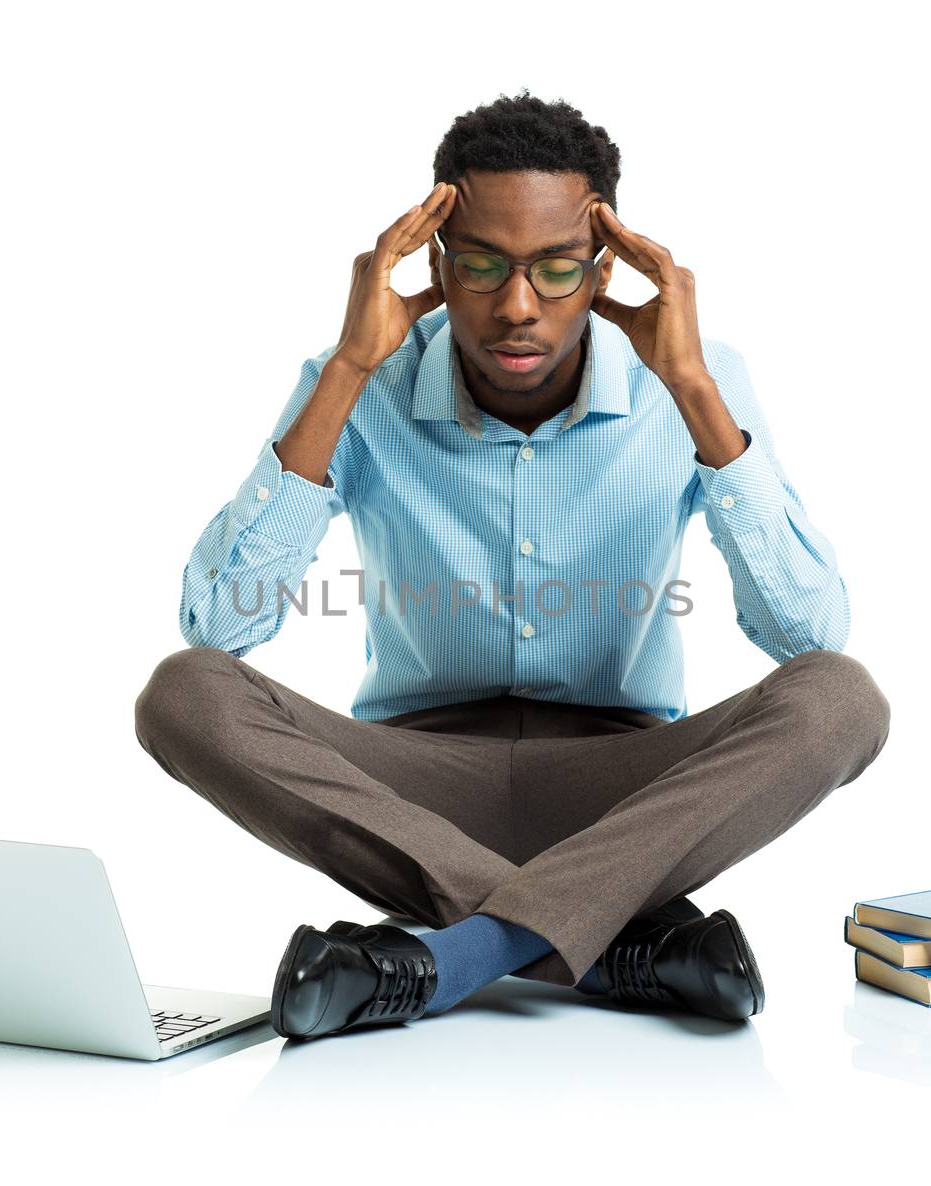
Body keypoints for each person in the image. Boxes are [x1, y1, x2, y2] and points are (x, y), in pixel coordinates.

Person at [133, 90, 890, 1041]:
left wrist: (694, 392)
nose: (517, 307)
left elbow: (809, 636)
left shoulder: (693, 377)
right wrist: (346, 375)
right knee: (184, 695)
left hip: (623, 788)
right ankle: (614, 939)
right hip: (411, 792)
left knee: (842, 699)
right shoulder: (364, 375)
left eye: (557, 269)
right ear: (436, 263)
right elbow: (219, 627)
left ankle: (454, 957)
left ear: (603, 268)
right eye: (483, 266)